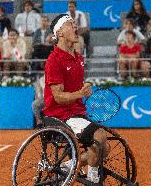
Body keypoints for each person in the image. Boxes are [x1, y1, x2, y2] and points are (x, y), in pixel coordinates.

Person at [42, 14, 110, 183]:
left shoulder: (78, 57)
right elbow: (58, 97)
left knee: (105, 148)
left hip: (76, 113)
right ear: (60, 33)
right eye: (70, 24)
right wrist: (80, 94)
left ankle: (69, 165)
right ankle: (93, 179)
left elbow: (75, 88)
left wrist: (84, 89)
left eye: (75, 24)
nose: (75, 27)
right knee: (99, 138)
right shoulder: (54, 60)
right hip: (59, 116)